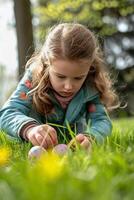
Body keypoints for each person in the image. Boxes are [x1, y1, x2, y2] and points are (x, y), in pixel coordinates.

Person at [0, 23, 119, 151]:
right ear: (47, 63)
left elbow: (101, 120)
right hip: (35, 145)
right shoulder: (33, 79)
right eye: (60, 77)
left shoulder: (90, 87)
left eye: (78, 78)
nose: (68, 87)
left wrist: (91, 137)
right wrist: (29, 129)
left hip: (70, 147)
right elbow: (8, 113)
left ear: (89, 68)